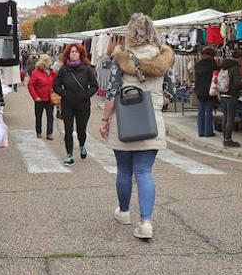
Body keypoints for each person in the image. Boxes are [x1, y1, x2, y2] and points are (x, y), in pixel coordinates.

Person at [99, 13, 174, 241]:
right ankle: (146, 222)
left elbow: (111, 93)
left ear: (130, 33)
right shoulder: (164, 58)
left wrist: (105, 120)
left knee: (123, 170)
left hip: (125, 120)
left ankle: (123, 212)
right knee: (144, 171)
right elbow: (169, 92)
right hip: (151, 119)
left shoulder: (121, 57)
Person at [52, 43, 99, 165]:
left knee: (81, 130)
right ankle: (69, 155)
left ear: (80, 54)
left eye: (76, 52)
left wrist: (86, 94)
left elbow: (95, 86)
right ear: (68, 54)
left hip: (83, 104)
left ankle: (82, 145)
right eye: (72, 52)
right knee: (68, 129)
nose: (74, 54)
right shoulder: (64, 69)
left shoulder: (87, 69)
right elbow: (55, 85)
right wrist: (64, 93)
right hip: (67, 104)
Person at [27, 54, 57, 140]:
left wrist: (54, 72)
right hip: (39, 99)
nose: (50, 63)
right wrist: (35, 96)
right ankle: (38, 132)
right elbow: (30, 85)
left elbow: (57, 80)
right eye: (49, 61)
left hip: (49, 98)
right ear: (43, 63)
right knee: (38, 116)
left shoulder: (52, 72)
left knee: (50, 116)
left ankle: (49, 133)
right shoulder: (35, 73)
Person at [219, 53, 242, 148]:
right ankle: (228, 140)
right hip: (231, 95)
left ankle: (225, 138)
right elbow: (237, 84)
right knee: (230, 118)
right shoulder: (235, 67)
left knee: (225, 117)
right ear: (239, 58)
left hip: (222, 94)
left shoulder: (224, 66)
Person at [193, 47, 218, 137]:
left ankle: (201, 131)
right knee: (208, 111)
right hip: (209, 91)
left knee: (201, 111)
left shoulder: (197, 64)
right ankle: (208, 132)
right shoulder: (213, 65)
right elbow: (215, 78)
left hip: (199, 91)